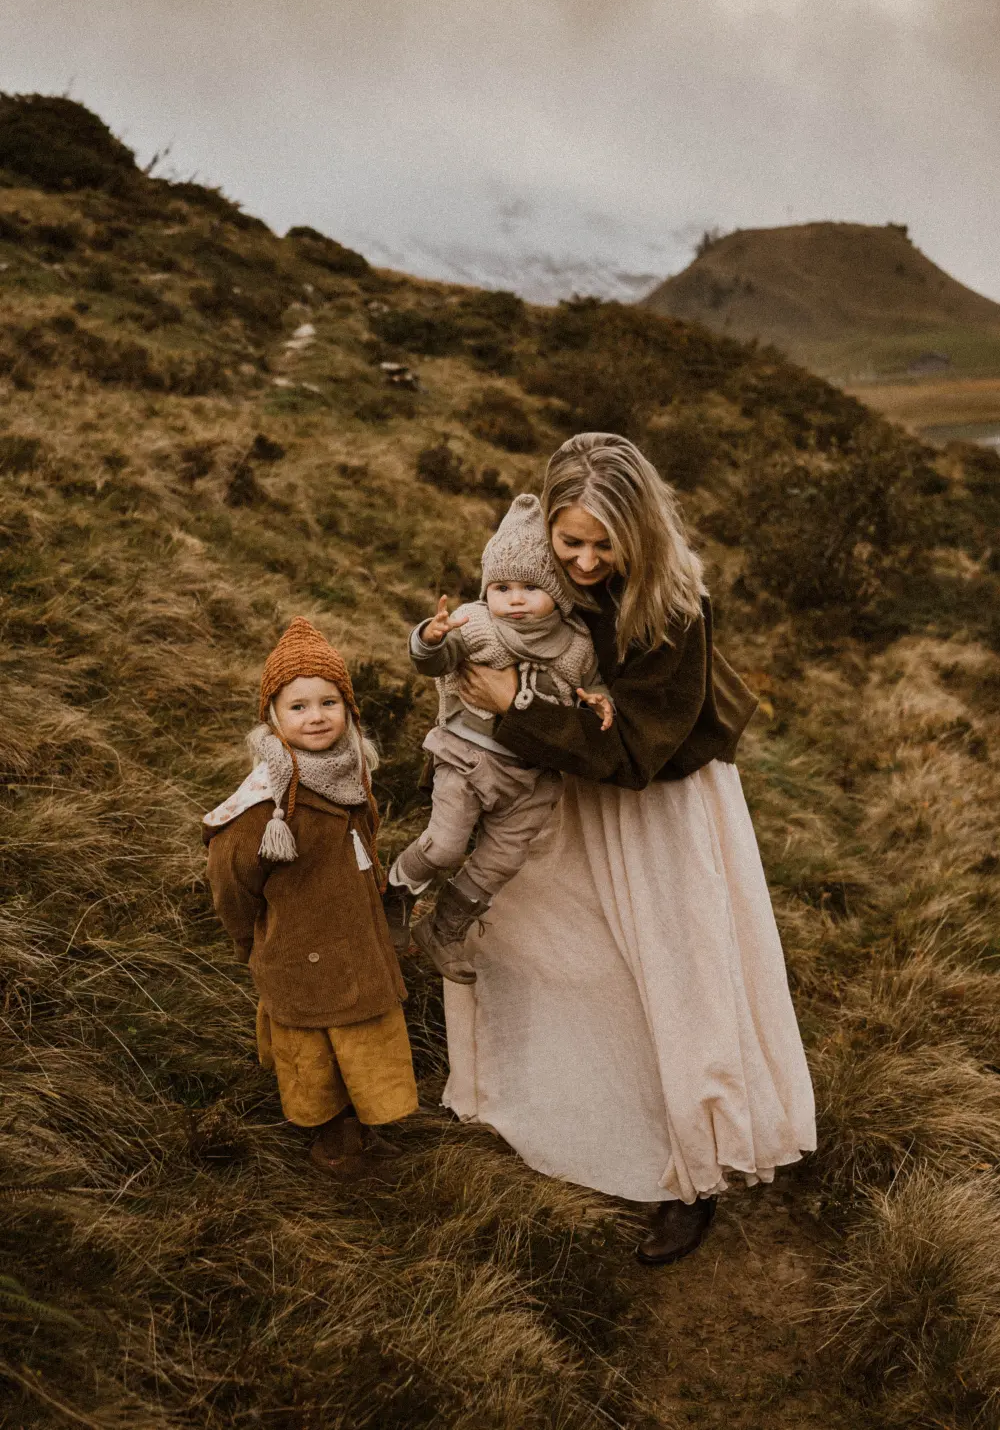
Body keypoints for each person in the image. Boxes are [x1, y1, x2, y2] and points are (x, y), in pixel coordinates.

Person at [443, 434, 816, 1266]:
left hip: (659, 806)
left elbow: (637, 753)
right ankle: (577, 1113)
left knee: (675, 978)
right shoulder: (547, 575)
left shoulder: (674, 612)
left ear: (637, 534)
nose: (580, 560)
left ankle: (695, 1172)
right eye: (568, 542)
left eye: (600, 545)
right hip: (572, 783)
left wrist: (514, 707)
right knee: (560, 949)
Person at [203, 616, 418, 1177]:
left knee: (365, 1043)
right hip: (302, 952)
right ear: (272, 717)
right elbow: (231, 883)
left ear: (349, 709)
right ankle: (335, 1143)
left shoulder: (349, 776)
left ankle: (365, 1129)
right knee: (317, 1055)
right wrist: (252, 939)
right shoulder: (264, 807)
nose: (316, 716)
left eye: (329, 702)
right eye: (298, 706)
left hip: (356, 940)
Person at [383, 493, 612, 983]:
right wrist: (431, 639)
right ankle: (398, 891)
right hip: (467, 757)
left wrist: (598, 698)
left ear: (557, 590)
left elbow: (586, 685)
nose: (513, 598)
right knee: (445, 847)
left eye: (530, 586)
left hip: (531, 777)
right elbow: (435, 663)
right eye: (501, 586)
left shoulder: (575, 644)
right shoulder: (478, 623)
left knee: (500, 862)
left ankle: (444, 929)